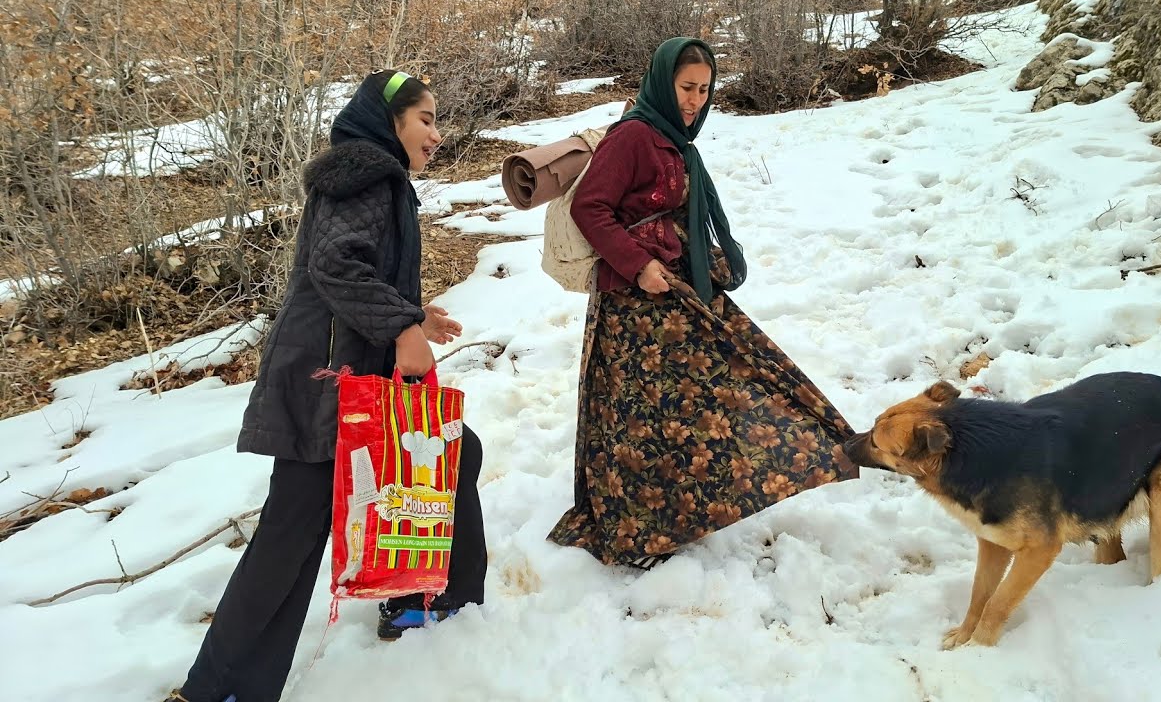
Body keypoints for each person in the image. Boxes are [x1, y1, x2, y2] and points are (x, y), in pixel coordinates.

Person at [166, 70, 487, 702]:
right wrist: (400, 326)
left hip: (340, 374)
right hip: (328, 384)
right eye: (425, 118)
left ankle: (421, 596)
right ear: (388, 120)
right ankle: (218, 687)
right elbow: (336, 265)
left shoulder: (368, 174)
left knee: (451, 457)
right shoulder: (367, 172)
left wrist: (413, 316)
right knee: (294, 530)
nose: (437, 134)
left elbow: (350, 267)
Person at [546, 38, 860, 569]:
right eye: (686, 87)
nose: (694, 100)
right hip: (634, 305)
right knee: (639, 422)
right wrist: (638, 265)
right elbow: (589, 208)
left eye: (704, 90)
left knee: (709, 394)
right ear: (662, 82)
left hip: (674, 293)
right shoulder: (635, 137)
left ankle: (683, 509)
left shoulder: (677, 141)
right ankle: (635, 533)